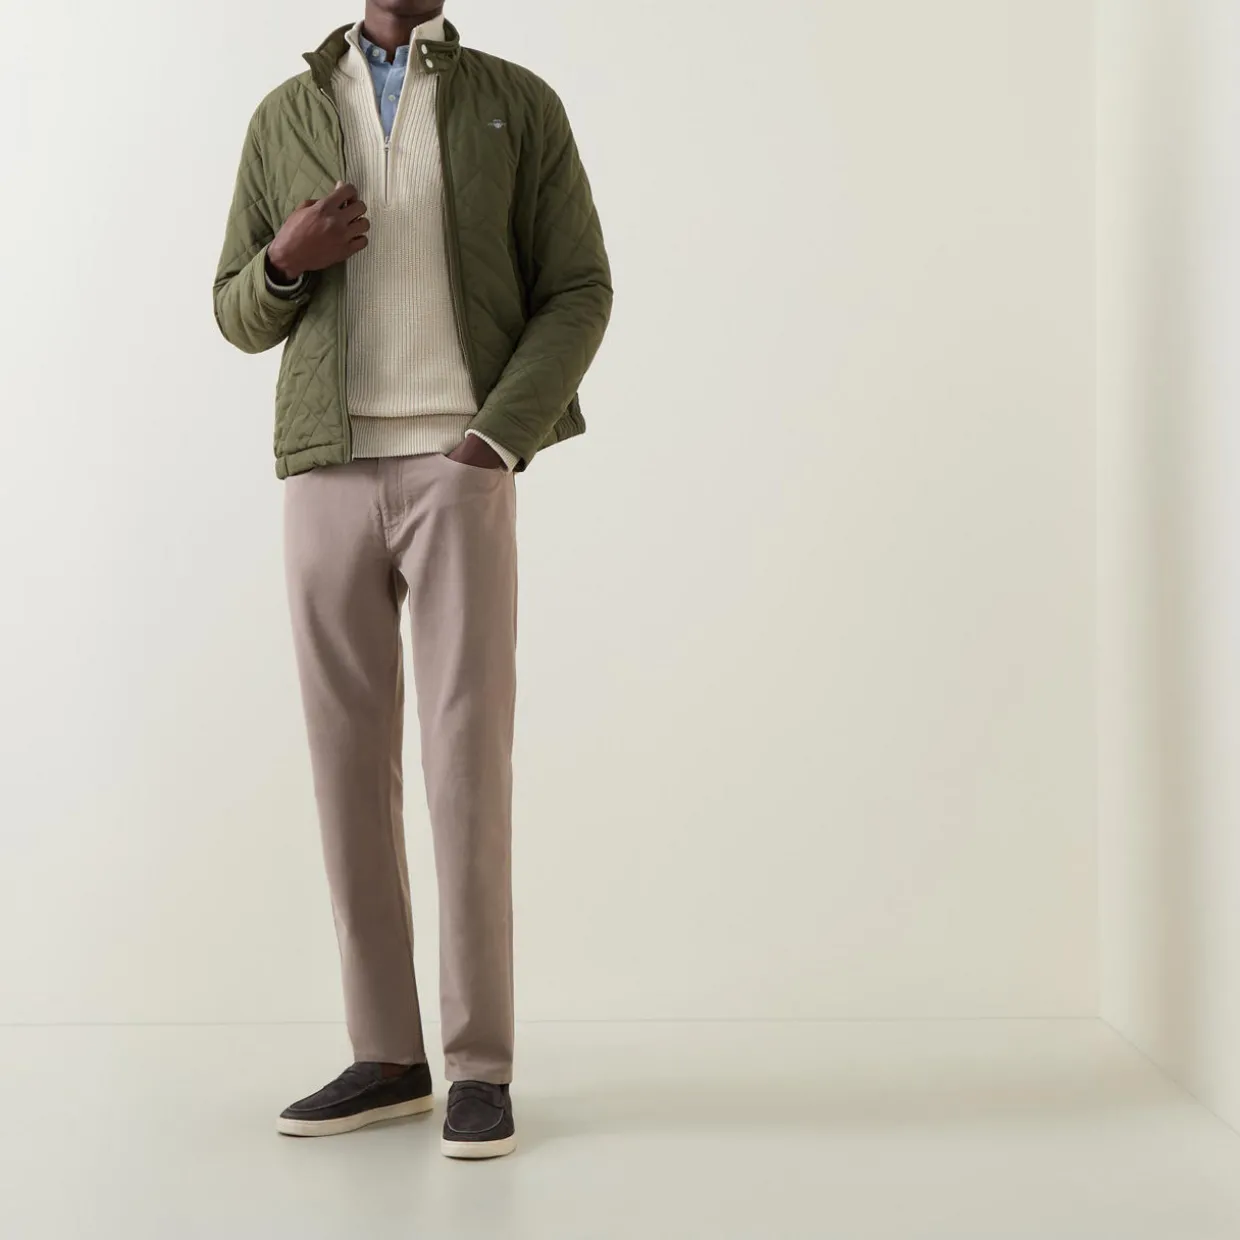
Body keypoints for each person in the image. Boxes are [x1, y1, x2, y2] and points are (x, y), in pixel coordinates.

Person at [212, 1, 612, 1160]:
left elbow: (579, 286)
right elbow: (233, 310)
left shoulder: (513, 103)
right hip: (324, 470)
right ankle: (387, 1055)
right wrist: (284, 263)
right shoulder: (284, 114)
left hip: (458, 466)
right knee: (345, 770)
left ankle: (479, 1064)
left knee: (464, 768)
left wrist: (495, 437)